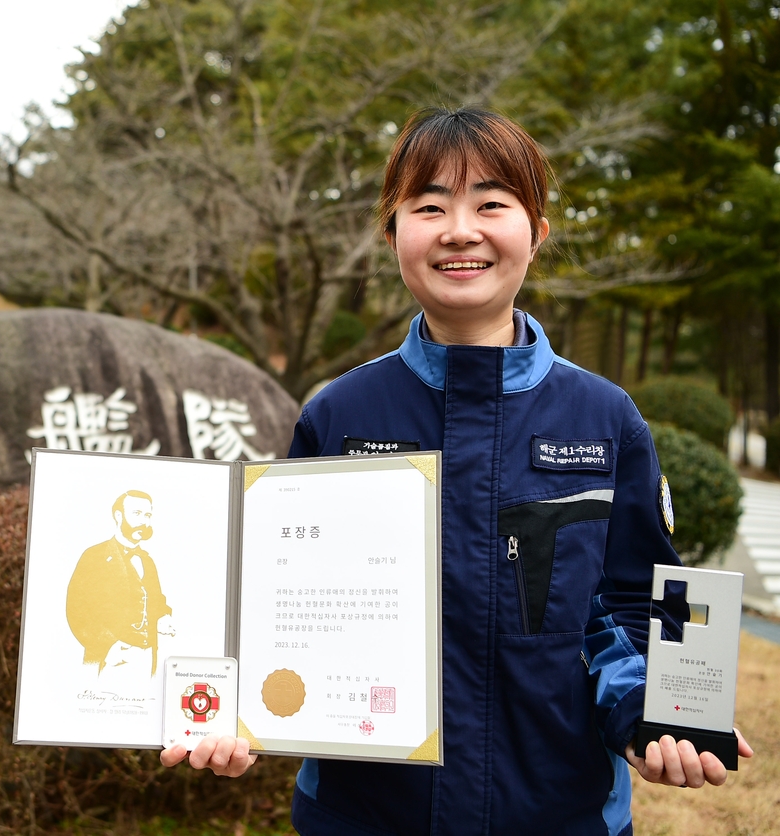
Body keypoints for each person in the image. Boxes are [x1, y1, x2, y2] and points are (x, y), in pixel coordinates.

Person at [161, 107, 753, 835]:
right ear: (393, 233)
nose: (460, 230)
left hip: (559, 816)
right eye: (430, 205)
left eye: (493, 204)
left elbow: (633, 605)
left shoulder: (605, 418)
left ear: (536, 232)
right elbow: (281, 605)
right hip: (361, 816)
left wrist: (650, 719)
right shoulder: (340, 413)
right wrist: (240, 711)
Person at [66, 489, 174, 677]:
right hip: (107, 660)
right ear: (118, 515)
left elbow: (154, 599)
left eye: (148, 515)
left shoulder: (147, 560)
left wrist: (163, 617)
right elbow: (77, 609)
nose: (144, 521)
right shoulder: (94, 556)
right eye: (137, 514)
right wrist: (108, 646)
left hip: (147, 660)